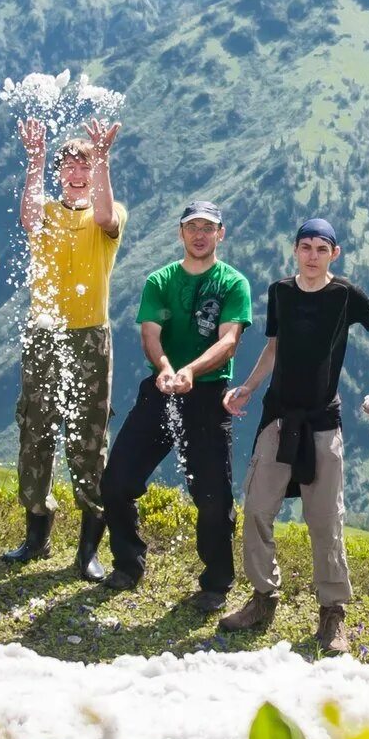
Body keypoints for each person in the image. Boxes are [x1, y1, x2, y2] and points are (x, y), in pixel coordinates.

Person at [220, 219, 369, 655]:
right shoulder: (280, 292)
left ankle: (332, 613)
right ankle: (264, 597)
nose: (313, 255)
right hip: (278, 419)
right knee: (258, 509)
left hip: (323, 421)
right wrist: (248, 386)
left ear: (334, 254)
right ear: (295, 251)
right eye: (306, 247)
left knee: (325, 520)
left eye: (322, 248)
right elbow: (275, 345)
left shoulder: (345, 296)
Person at [100, 201, 250, 603]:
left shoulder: (233, 283)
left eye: (208, 227)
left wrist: (191, 371)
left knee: (214, 498)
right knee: (115, 482)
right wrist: (166, 368)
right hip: (162, 388)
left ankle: (216, 584)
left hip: (207, 396)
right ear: (181, 233)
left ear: (221, 233)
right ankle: (128, 563)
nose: (200, 234)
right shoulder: (160, 280)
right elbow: (151, 334)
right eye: (192, 227)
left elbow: (229, 340)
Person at [6, 118, 125, 577]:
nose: (77, 172)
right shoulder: (49, 213)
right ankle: (36, 530)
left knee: (88, 437)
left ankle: (88, 548)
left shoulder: (109, 212)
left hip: (91, 335)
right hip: (44, 331)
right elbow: (27, 216)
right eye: (69, 166)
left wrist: (103, 159)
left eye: (85, 165)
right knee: (35, 430)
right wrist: (35, 160)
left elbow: (103, 217)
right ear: (59, 174)